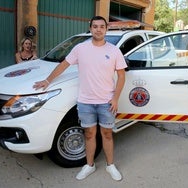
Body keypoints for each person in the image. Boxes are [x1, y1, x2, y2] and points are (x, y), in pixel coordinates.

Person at [33, 16, 127, 181]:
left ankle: (110, 165)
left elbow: (121, 76)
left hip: (106, 102)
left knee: (107, 134)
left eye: (101, 26)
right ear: (90, 28)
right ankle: (89, 165)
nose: (98, 29)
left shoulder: (114, 50)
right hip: (86, 102)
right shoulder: (80, 48)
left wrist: (115, 98)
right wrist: (47, 80)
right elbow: (64, 64)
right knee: (89, 134)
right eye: (95, 26)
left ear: (106, 29)